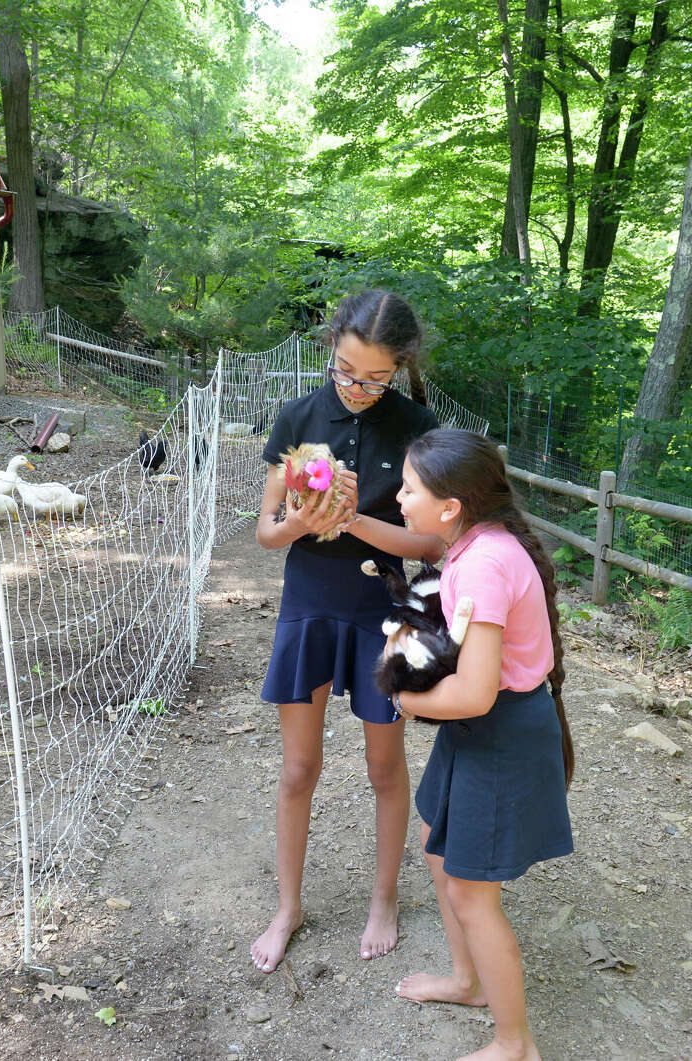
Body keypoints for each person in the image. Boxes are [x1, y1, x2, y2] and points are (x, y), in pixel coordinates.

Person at [251, 290, 444, 974]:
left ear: (401, 367)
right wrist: (302, 522)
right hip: (308, 604)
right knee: (298, 768)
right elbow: (266, 530)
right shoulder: (299, 417)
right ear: (331, 346)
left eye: (375, 378)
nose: (357, 389)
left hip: (380, 610)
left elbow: (430, 543)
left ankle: (383, 898)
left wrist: (355, 518)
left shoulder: (418, 427)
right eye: (345, 371)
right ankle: (288, 907)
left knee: (384, 767)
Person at [391, 428, 574, 1061]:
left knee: (473, 891)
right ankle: (468, 981)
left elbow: (473, 694)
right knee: (436, 842)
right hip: (482, 730)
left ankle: (515, 1043)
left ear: (450, 506)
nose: (399, 497)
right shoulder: (474, 545)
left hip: (500, 733)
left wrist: (403, 698)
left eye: (408, 489)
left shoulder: (483, 563)